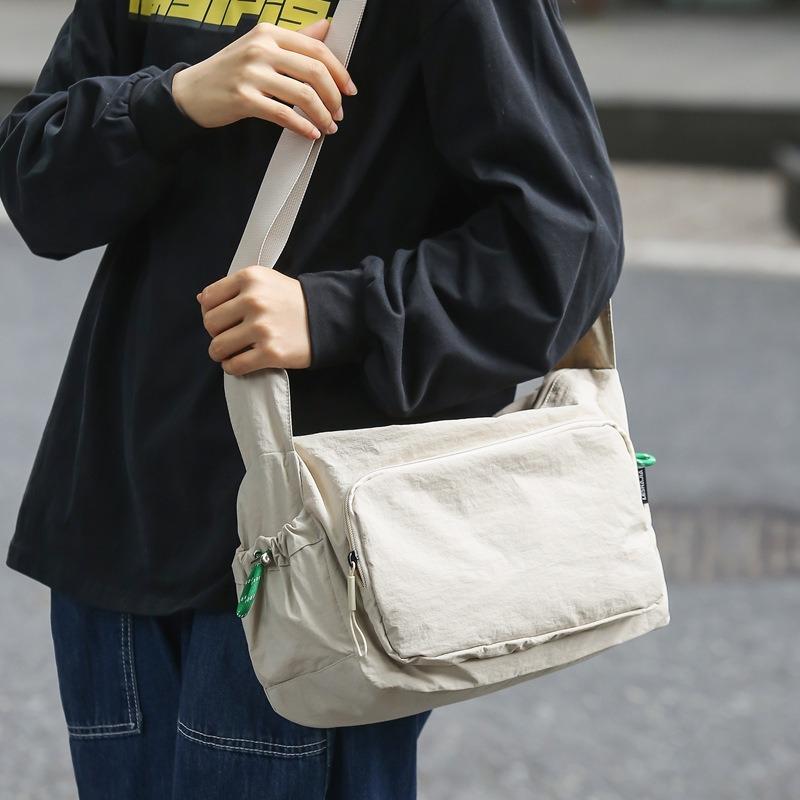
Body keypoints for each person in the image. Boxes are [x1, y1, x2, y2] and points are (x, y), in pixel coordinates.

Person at [0, 1, 625, 798]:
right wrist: (174, 101)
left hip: (315, 543)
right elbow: (38, 194)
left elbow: (565, 242)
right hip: (112, 518)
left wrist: (337, 313)